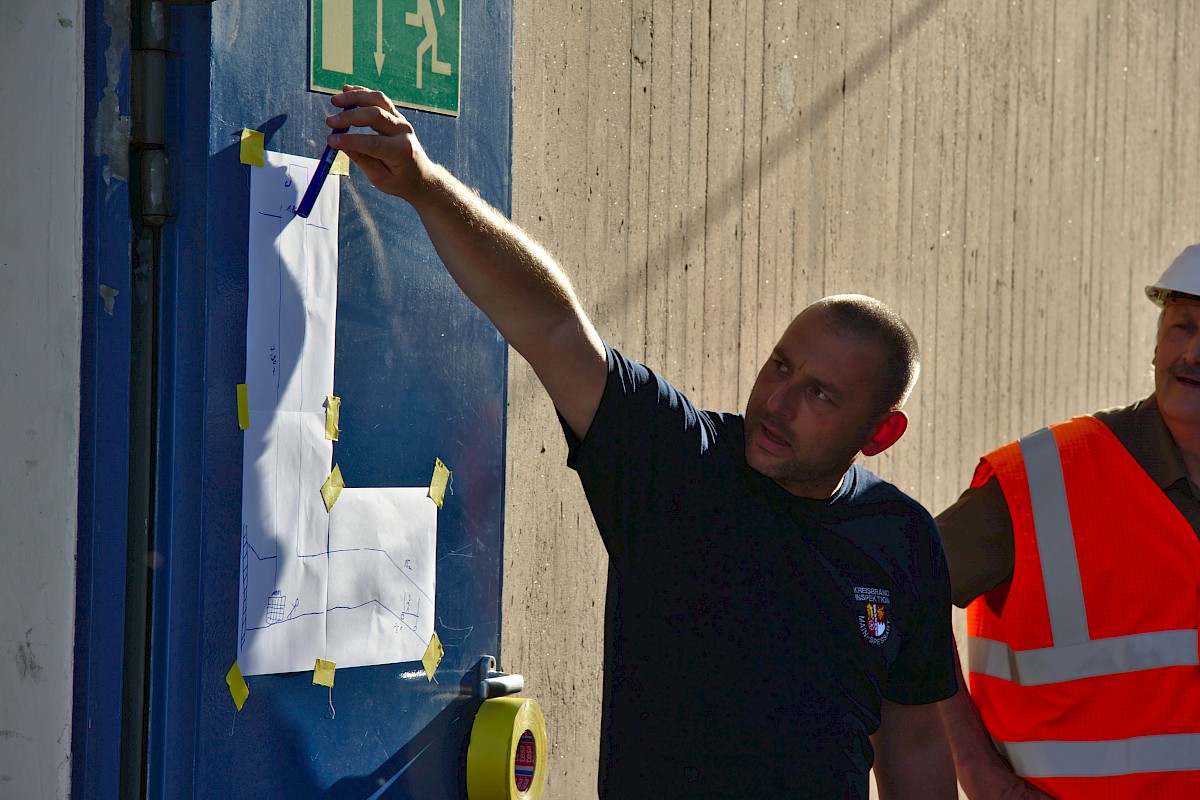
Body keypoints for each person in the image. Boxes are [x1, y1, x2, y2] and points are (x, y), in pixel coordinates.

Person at [324, 85, 958, 799]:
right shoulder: (678, 464)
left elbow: (914, 740)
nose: (777, 401)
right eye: (781, 364)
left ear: (882, 432)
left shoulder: (901, 538)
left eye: (820, 394)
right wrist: (426, 187)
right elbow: (555, 329)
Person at [936, 245, 1200, 798]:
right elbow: (889, 599)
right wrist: (977, 772)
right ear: (1156, 345)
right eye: (1182, 327)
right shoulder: (1042, 479)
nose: (1193, 354)